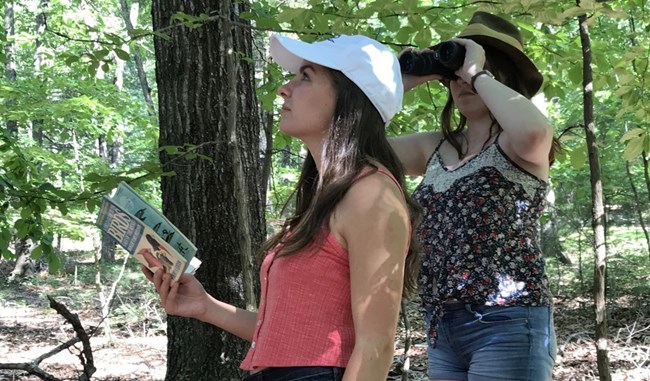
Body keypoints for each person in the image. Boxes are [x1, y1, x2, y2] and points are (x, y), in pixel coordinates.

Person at [143, 34, 421, 381]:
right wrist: (206, 308)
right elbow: (292, 337)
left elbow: (375, 347)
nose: (284, 90)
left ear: (350, 97)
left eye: (305, 76)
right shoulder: (329, 195)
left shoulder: (371, 195)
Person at [391, 11, 559, 381]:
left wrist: (475, 74)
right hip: (441, 326)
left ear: (502, 78)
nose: (461, 82)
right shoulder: (436, 146)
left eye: (479, 67)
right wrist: (397, 83)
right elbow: (352, 150)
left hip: (509, 321)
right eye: (455, 75)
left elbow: (533, 133)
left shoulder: (517, 142)